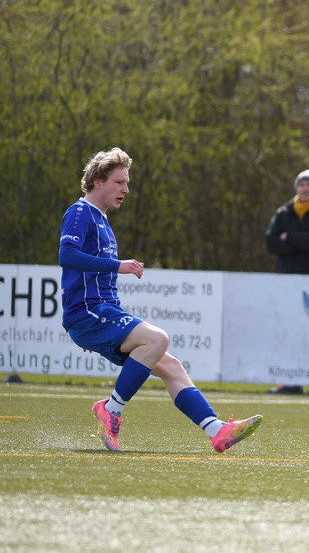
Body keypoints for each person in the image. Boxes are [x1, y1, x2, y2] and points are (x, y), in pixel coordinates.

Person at [59, 147, 262, 452]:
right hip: (87, 312)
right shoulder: (80, 213)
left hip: (100, 315)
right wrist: (118, 266)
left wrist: (103, 333)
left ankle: (217, 431)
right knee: (158, 340)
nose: (126, 189)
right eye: (119, 182)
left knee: (171, 366)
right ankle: (110, 410)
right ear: (98, 181)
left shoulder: (103, 222)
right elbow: (67, 256)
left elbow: (100, 283)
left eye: (127, 183)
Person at [264, 169, 309, 395]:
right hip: (286, 282)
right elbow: (271, 242)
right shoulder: (283, 213)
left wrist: (290, 237)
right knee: (288, 332)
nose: (305, 188)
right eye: (301, 184)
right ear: (296, 188)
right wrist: (303, 239)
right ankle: (290, 381)